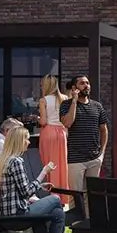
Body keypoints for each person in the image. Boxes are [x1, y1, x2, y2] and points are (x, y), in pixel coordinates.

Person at [0, 128, 65, 233]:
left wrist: (39, 186)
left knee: (58, 213)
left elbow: (15, 190)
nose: (29, 142)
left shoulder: (2, 161)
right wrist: (44, 172)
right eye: (26, 139)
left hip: (4, 215)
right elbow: (26, 192)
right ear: (19, 141)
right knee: (56, 200)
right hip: (18, 216)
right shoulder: (16, 162)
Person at [58, 74, 109, 196]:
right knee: (76, 196)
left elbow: (104, 129)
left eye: (87, 83)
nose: (86, 85)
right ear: (74, 88)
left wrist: (102, 153)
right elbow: (68, 123)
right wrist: (74, 101)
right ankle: (78, 216)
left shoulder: (97, 106)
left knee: (92, 194)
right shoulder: (66, 105)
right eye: (82, 83)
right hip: (75, 159)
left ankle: (90, 216)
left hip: (94, 158)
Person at [36, 75, 70, 204]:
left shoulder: (43, 100)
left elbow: (44, 121)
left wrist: (37, 119)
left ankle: (52, 196)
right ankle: (62, 197)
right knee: (61, 164)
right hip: (61, 133)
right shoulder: (64, 98)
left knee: (48, 164)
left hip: (48, 132)